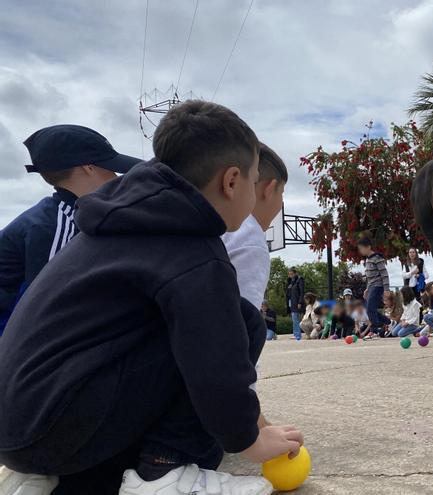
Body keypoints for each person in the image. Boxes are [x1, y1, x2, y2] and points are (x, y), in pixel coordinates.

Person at [0, 101, 304, 495]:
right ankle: (165, 474)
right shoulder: (193, 248)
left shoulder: (110, 227)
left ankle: (53, 479)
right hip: (55, 425)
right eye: (251, 180)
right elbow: (217, 363)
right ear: (232, 181)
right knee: (242, 323)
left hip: (18, 428)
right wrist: (249, 439)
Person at [0, 124, 140, 335]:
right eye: (111, 168)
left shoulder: (60, 213)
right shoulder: (54, 226)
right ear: (89, 168)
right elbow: (52, 310)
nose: (116, 177)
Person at [221, 142, 288, 329]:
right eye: (281, 193)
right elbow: (237, 328)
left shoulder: (211, 223)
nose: (281, 203)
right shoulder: (250, 241)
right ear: (269, 189)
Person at [359, 237, 391, 334]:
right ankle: (387, 322)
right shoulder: (368, 260)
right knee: (368, 308)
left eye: (361, 248)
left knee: (370, 308)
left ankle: (375, 330)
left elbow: (384, 274)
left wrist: (386, 289)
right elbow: (369, 278)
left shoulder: (377, 258)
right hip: (371, 287)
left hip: (378, 286)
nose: (360, 251)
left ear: (368, 247)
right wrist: (367, 289)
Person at [286, 268, 305, 338]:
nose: (290, 275)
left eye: (292, 274)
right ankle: (295, 333)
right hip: (291, 302)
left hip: (296, 302)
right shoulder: (291, 281)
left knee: (295, 318)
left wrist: (300, 302)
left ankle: (297, 335)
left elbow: (301, 292)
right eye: (289, 274)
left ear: (295, 273)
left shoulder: (300, 280)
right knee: (294, 318)